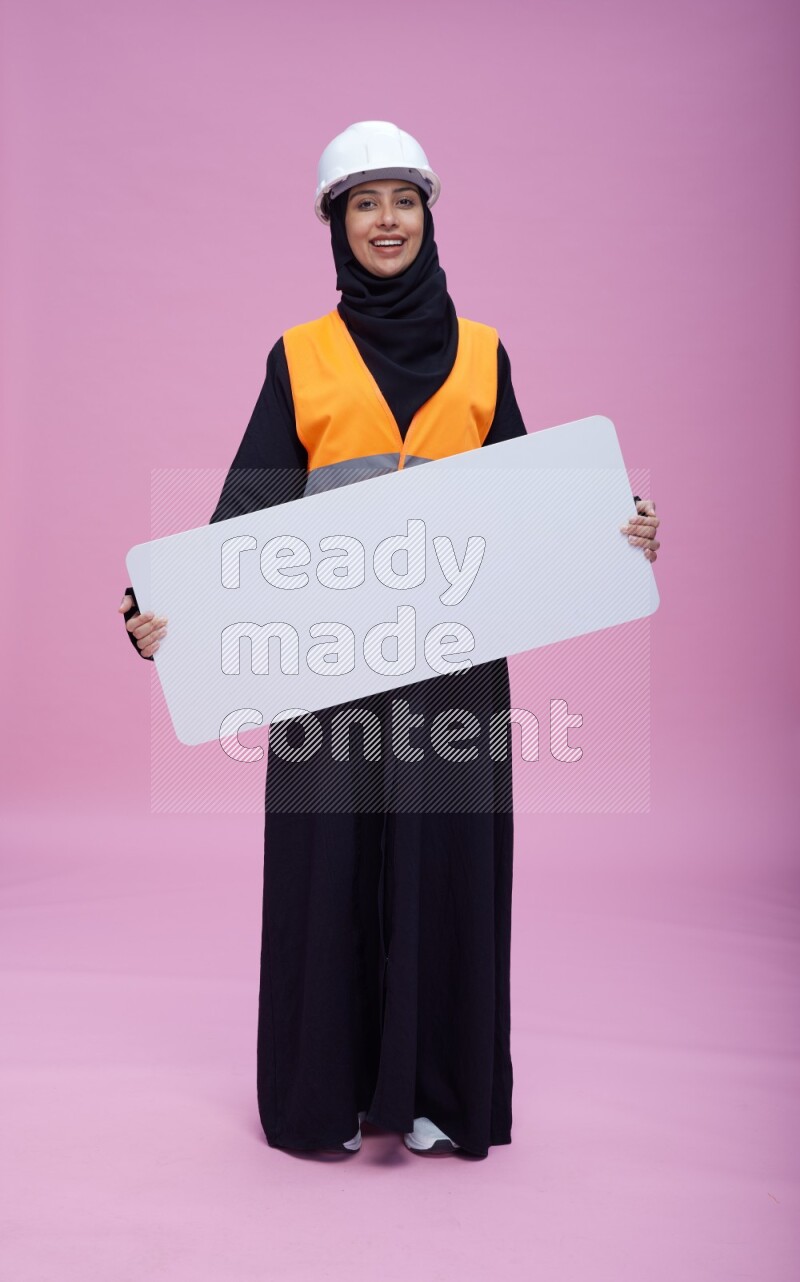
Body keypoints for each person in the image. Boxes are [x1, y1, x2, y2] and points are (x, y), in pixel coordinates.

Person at [118, 121, 661, 1158]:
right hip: (327, 669)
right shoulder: (301, 357)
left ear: (428, 214)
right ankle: (324, 1096)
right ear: (335, 222)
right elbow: (243, 519)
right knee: (328, 869)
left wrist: (618, 527)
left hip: (456, 664)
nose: (384, 220)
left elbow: (535, 507)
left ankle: (432, 1093)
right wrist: (153, 606)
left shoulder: (484, 353)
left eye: (401, 200)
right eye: (361, 202)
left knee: (441, 864)